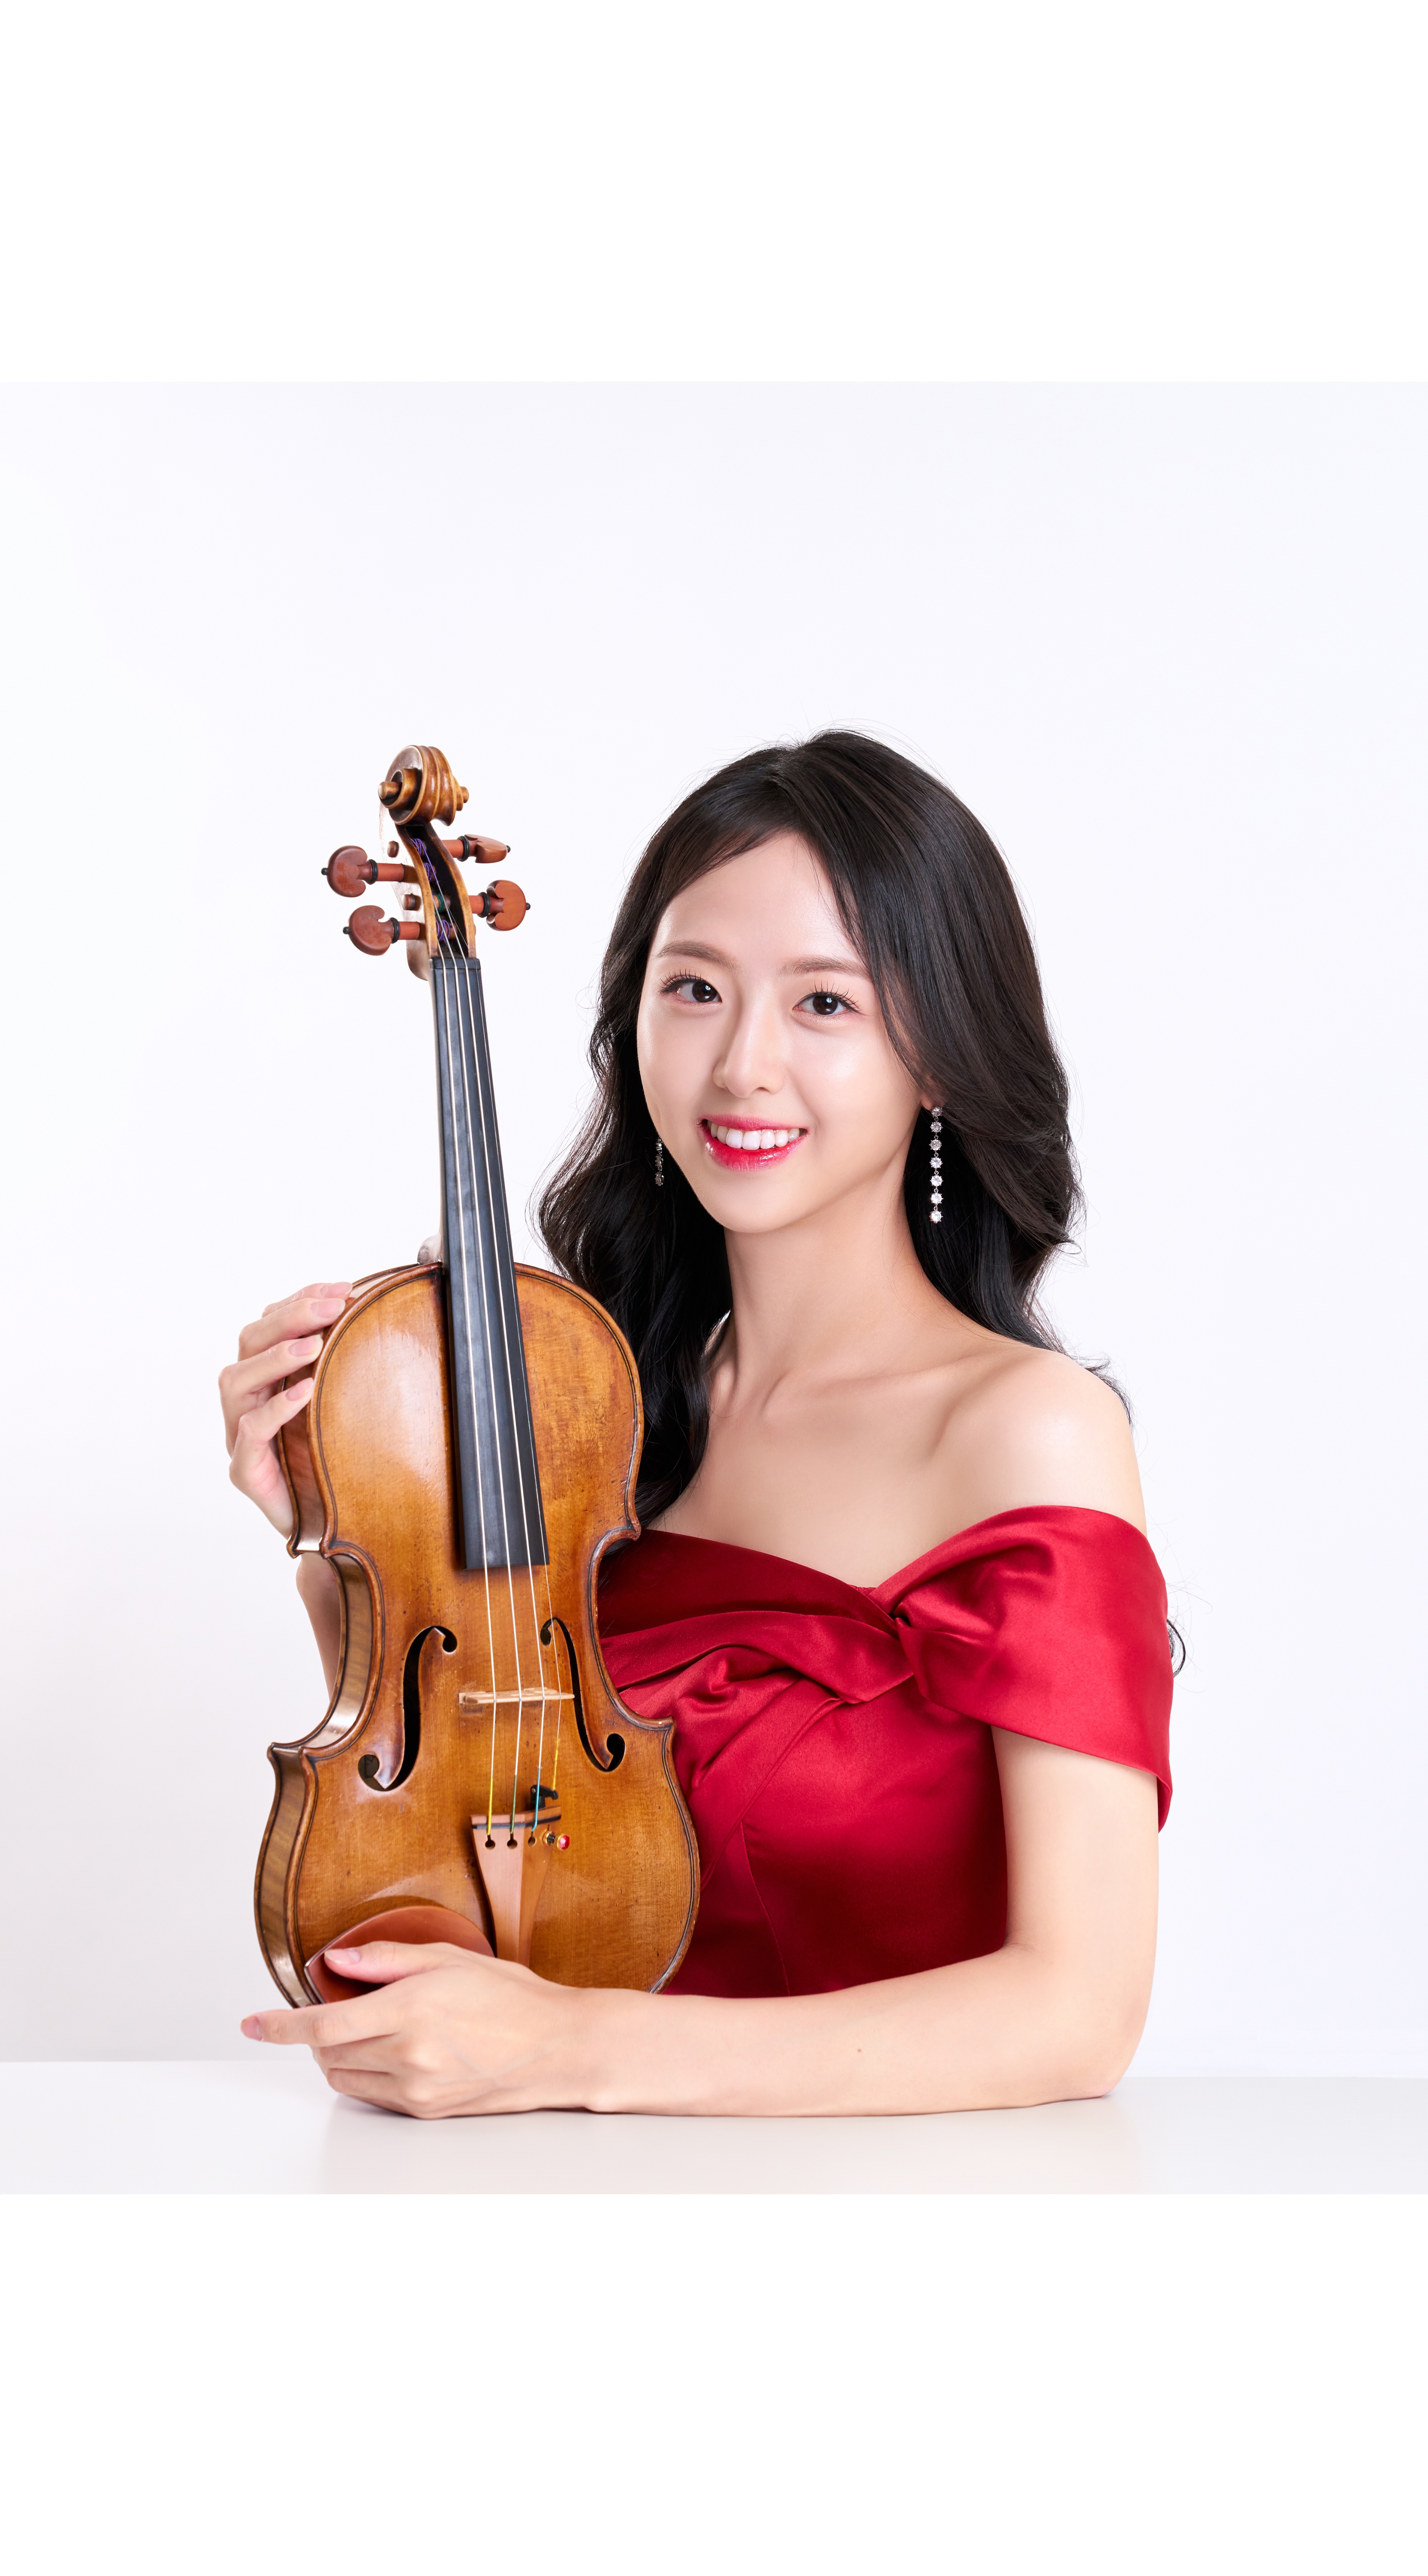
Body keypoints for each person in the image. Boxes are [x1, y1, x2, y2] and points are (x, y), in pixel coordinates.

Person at [223, 732, 1173, 2118]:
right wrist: (334, 1526)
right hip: (575, 2196)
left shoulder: (1026, 1430)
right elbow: (497, 1827)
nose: (742, 1064)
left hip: (910, 2212)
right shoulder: (590, 1407)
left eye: (825, 1003)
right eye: (694, 988)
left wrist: (568, 2048)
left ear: (942, 1058)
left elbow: (1077, 2012)